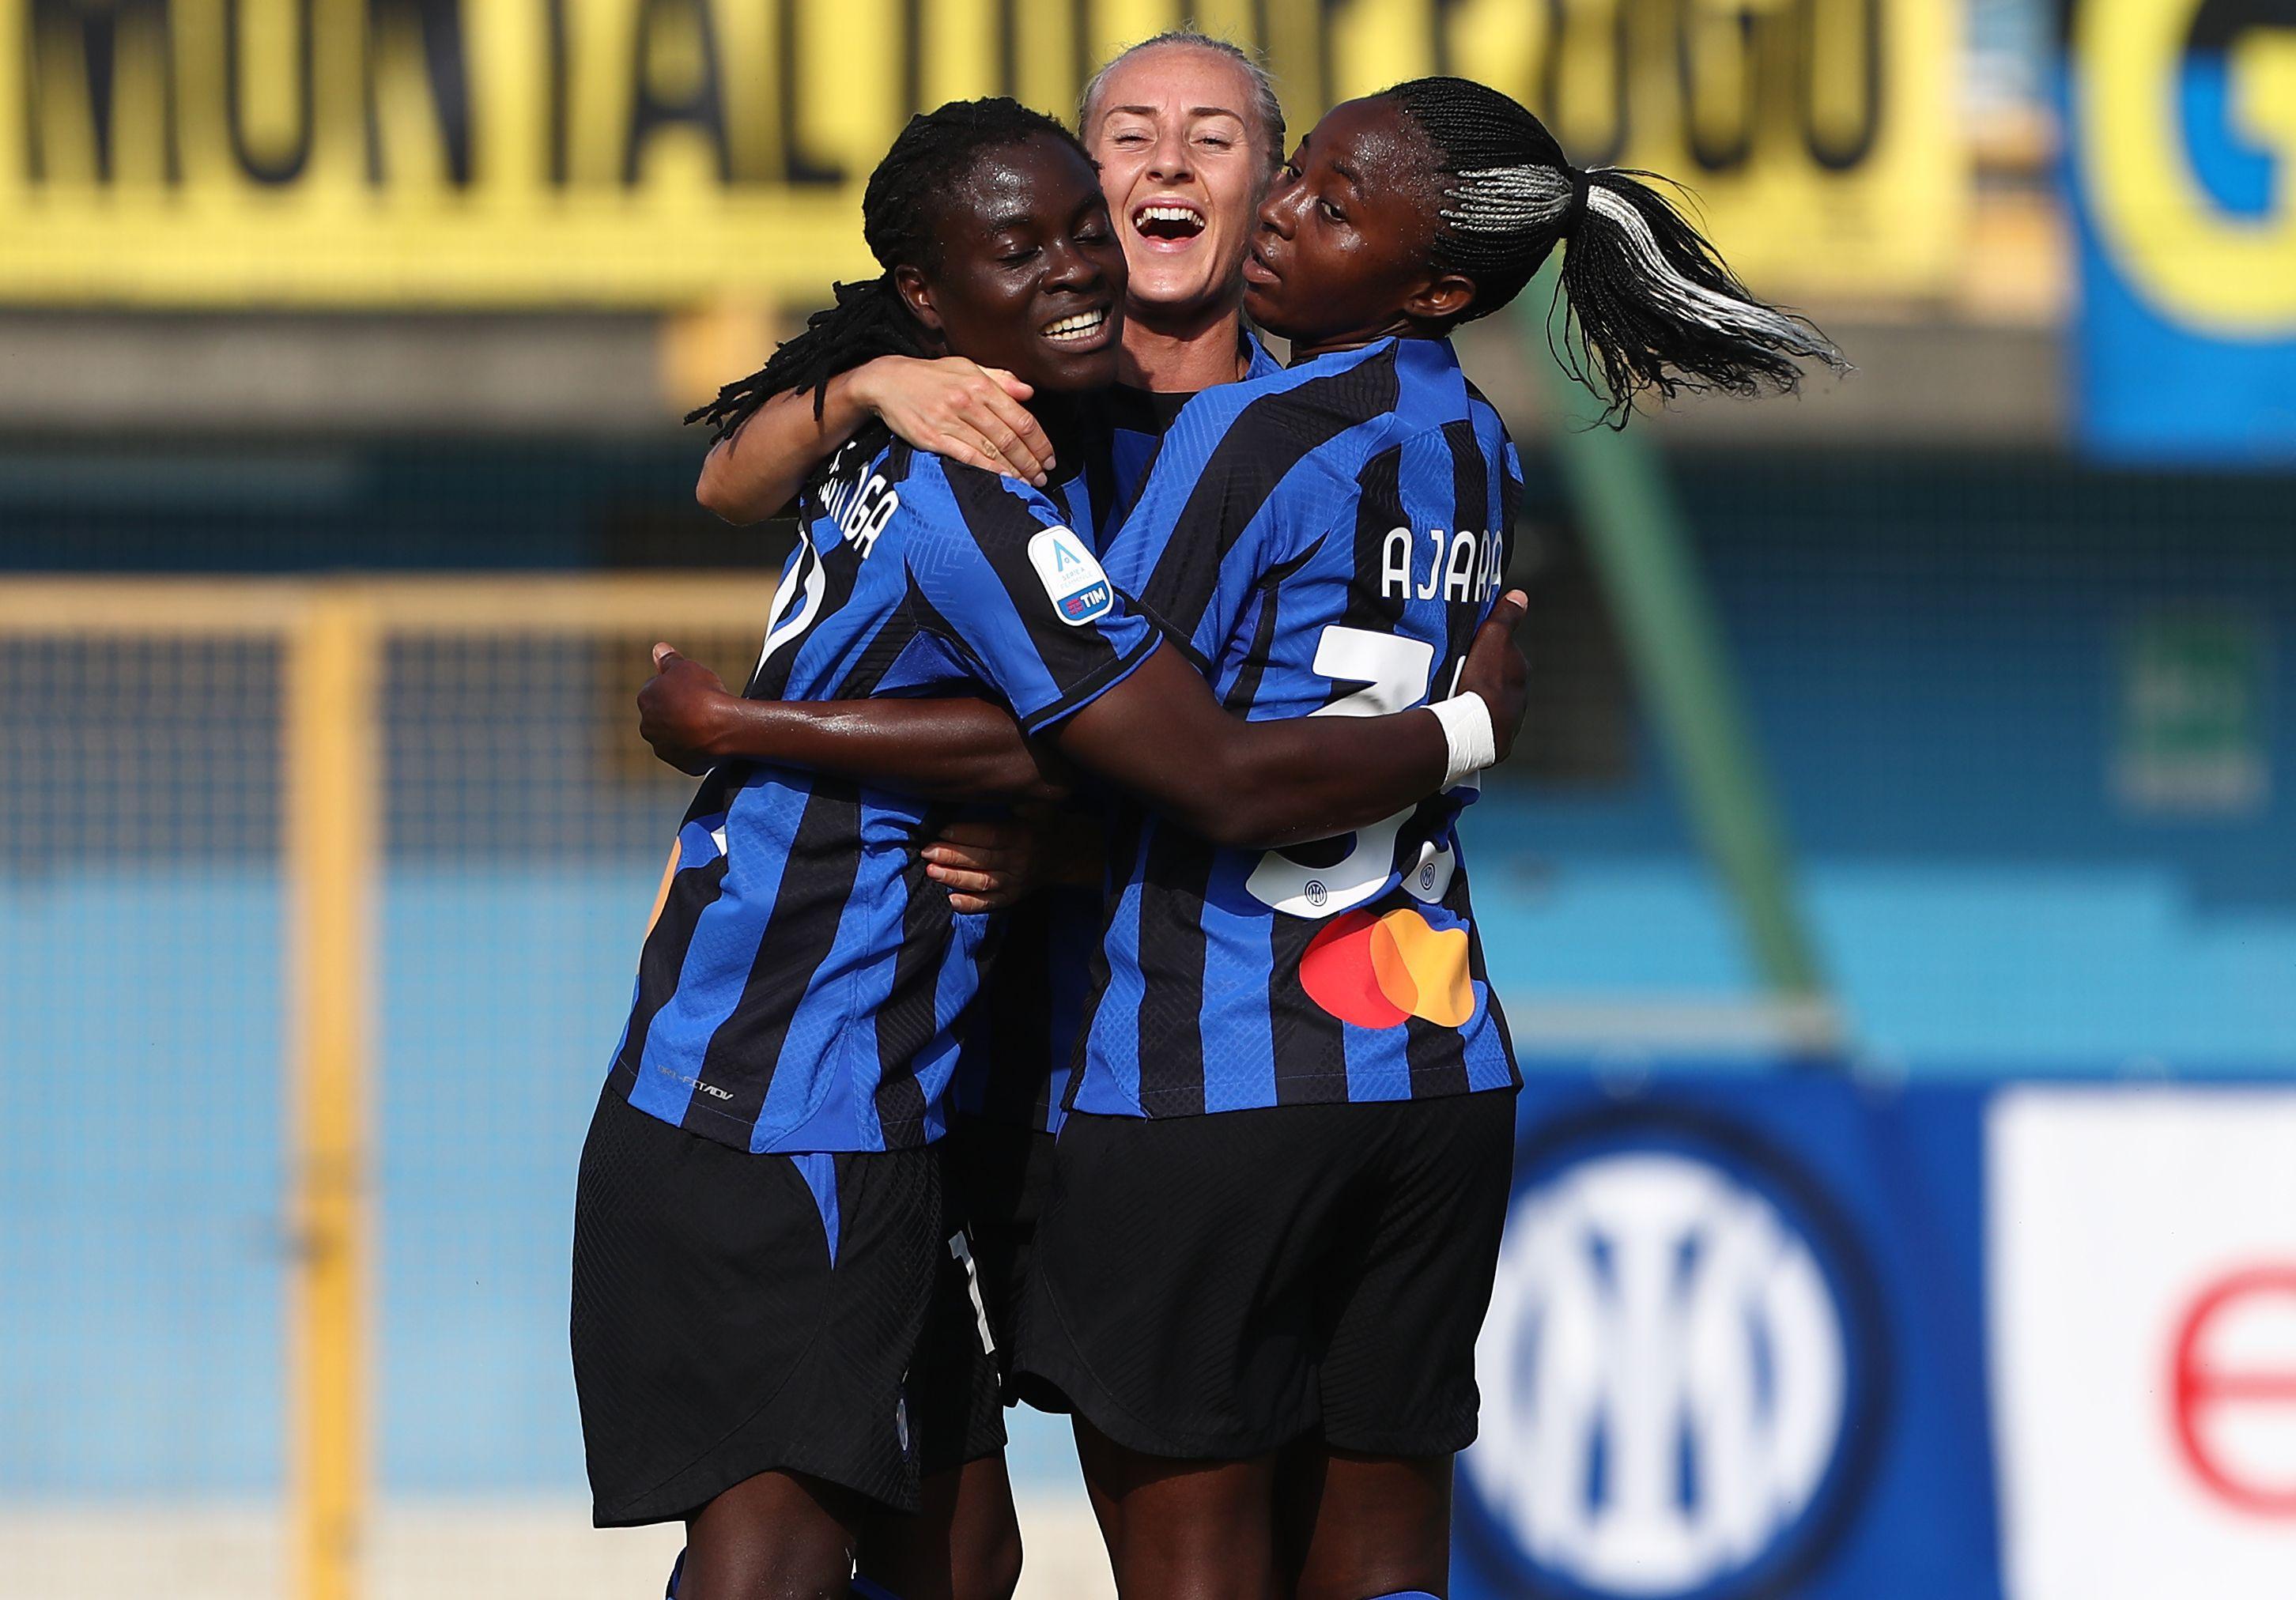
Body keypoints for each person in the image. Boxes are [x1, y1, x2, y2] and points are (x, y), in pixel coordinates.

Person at [573, 96, 1531, 1600]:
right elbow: (1136, 735)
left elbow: (1141, 747)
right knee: (817, 1544)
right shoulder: (985, 435)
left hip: (1056, 1059)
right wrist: (869, 383)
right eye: (1120, 141)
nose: (1147, 185)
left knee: (968, 1555)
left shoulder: (1237, 429)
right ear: (937, 295)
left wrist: (770, 733)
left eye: (1221, 139)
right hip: (843, 1071)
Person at [946, 77, 1839, 1600]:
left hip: (1214, 1078)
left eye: (1333, 208)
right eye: (1297, 177)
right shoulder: (1480, 448)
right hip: (1433, 1078)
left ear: (1433, 285)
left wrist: (763, 732)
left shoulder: (1251, 440)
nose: (1282, 214)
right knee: (1381, 1565)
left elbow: (1106, 731)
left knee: (1196, 1567)